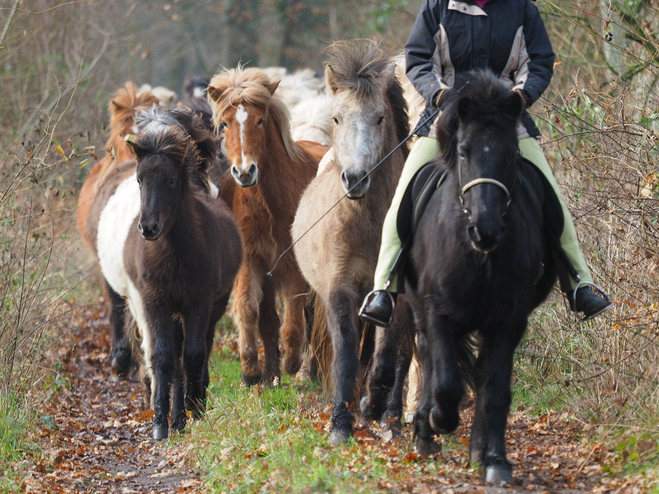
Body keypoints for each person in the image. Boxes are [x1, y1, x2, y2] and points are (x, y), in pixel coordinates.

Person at [358, 0, 612, 327]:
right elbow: (419, 59)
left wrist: (519, 98)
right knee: (404, 197)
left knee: (551, 195)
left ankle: (580, 282)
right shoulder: (437, 7)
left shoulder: (522, 9)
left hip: (505, 123)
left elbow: (540, 62)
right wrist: (440, 96)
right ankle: (384, 290)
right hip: (447, 120)